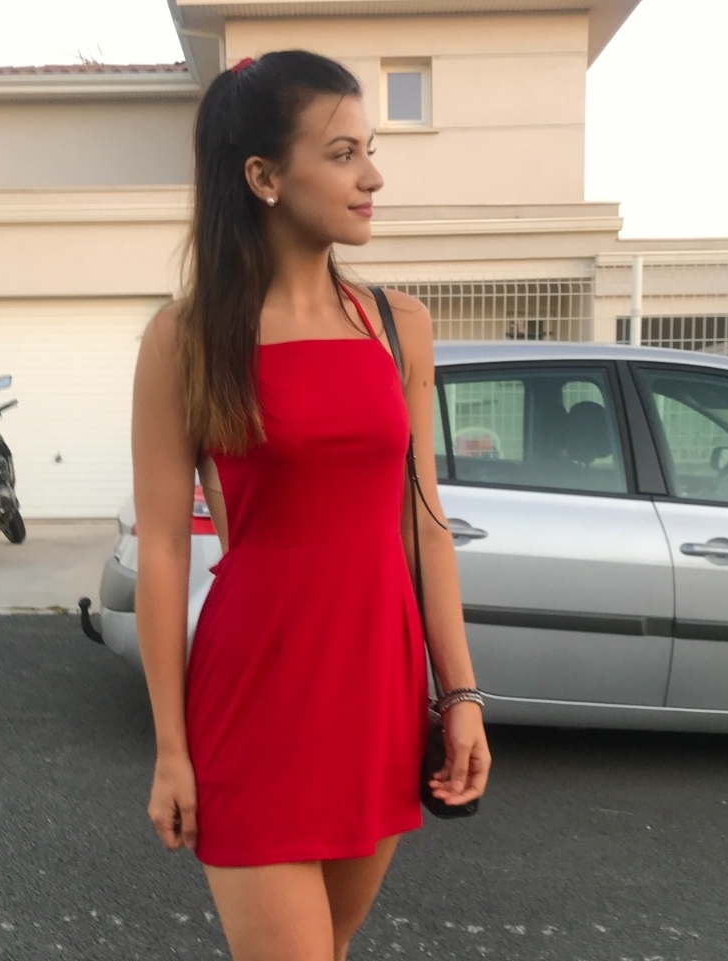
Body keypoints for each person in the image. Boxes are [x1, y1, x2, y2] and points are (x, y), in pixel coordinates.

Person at [131, 49, 492, 961]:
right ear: (263, 176)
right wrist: (170, 747)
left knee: (329, 945)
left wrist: (459, 692)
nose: (372, 177)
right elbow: (164, 550)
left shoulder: (397, 324)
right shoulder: (186, 338)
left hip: (376, 691)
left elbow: (423, 521)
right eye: (341, 154)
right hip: (254, 696)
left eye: (369, 151)